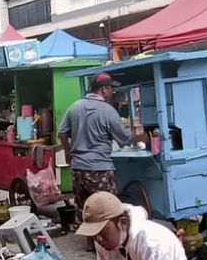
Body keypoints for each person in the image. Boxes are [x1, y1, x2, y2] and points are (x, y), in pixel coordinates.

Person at [57, 72, 144, 233]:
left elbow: (62, 132)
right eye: (111, 88)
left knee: (86, 211)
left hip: (78, 170)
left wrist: (68, 152)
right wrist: (143, 137)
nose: (113, 92)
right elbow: (125, 139)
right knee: (108, 211)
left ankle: (91, 244)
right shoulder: (108, 111)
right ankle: (108, 246)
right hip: (100, 170)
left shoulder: (75, 107)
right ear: (103, 89)